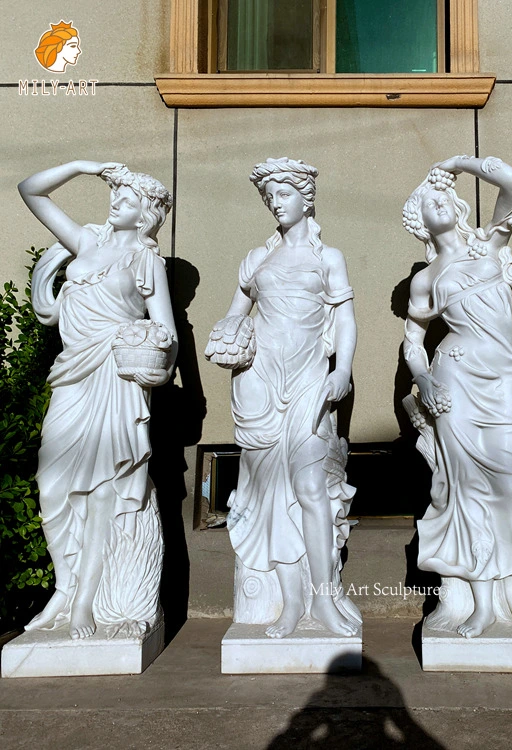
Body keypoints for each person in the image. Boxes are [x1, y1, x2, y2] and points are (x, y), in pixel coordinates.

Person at [18, 160, 176, 639]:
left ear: (146, 214)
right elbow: (30, 191)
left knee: (102, 489)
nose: (115, 203)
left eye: (127, 200)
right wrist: (82, 166)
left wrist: (150, 357)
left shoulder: (147, 262)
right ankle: (63, 590)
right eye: (115, 195)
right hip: (72, 374)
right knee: (52, 482)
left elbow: (167, 333)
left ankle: (85, 601)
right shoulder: (86, 242)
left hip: (115, 377)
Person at [206, 158, 359, 638]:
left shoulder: (327, 257)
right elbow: (235, 316)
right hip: (259, 383)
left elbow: (347, 319)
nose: (276, 202)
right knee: (275, 497)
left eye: (284, 193)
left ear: (306, 197)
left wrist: (344, 371)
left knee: (312, 492)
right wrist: (227, 337)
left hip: (310, 382)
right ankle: (291, 603)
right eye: (270, 196)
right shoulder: (256, 259)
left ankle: (324, 600)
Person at [401, 155, 512, 638]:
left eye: (442, 195)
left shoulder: (491, 244)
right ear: (419, 218)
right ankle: (482, 600)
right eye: (427, 200)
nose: (438, 201)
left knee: (511, 485)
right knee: (470, 492)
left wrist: (460, 162)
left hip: (500, 378)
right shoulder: (426, 277)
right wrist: (427, 382)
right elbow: (413, 342)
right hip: (454, 379)